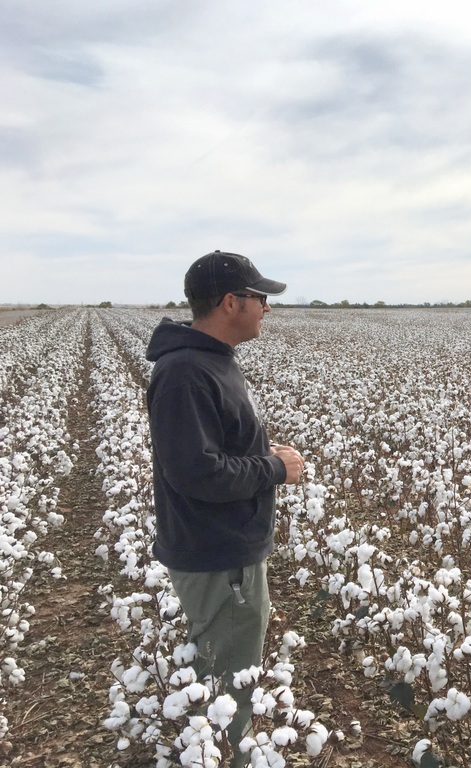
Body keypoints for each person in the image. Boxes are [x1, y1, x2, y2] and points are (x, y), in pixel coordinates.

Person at [145, 250, 304, 766]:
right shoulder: (187, 372)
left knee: (229, 673)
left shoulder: (208, 363)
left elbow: (211, 453)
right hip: (219, 556)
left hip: (225, 548)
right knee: (230, 688)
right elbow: (197, 473)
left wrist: (262, 455)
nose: (267, 309)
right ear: (231, 302)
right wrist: (275, 470)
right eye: (261, 298)